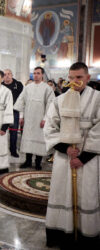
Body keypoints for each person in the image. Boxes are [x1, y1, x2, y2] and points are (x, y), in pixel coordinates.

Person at [43, 62, 100, 249]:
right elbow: (50, 127)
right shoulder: (59, 100)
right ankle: (62, 234)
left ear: (87, 78)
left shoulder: (98, 98)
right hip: (64, 157)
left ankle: (85, 237)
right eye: (71, 78)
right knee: (61, 192)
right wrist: (66, 148)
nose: (75, 82)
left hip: (88, 159)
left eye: (79, 78)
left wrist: (82, 157)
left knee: (87, 194)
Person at [14, 67, 55, 170]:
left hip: (40, 119)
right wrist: (22, 117)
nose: (36, 75)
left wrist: (45, 119)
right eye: (34, 73)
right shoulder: (28, 87)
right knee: (28, 140)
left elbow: (50, 105)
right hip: (28, 119)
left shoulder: (47, 88)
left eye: (38, 73)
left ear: (42, 75)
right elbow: (22, 102)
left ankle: (38, 163)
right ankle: (27, 161)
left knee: (39, 140)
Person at [2, 69, 23, 157]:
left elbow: (21, 99)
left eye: (9, 74)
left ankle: (13, 150)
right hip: (2, 112)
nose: (7, 76)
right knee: (1, 131)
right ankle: (2, 151)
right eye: (5, 74)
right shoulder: (1, 85)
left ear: (12, 75)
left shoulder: (18, 85)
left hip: (14, 111)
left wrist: (21, 114)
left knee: (14, 133)